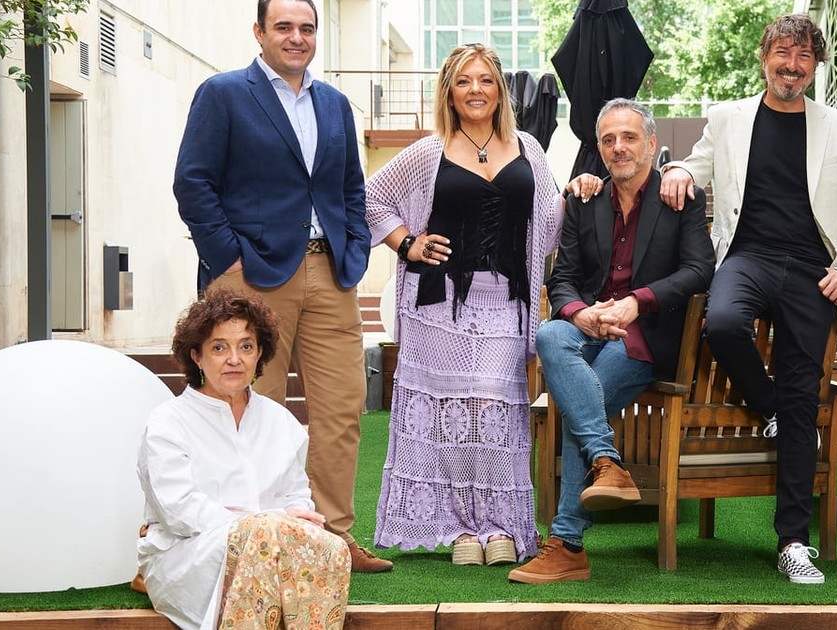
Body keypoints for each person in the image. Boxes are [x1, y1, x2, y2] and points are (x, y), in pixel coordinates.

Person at [658, 14, 837, 585]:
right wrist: (677, 169)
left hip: (812, 269)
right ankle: (771, 405)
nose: (792, 65)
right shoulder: (728, 117)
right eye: (783, 53)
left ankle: (793, 543)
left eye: (804, 57)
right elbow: (696, 164)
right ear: (765, 58)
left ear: (815, 66)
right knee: (722, 322)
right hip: (747, 256)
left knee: (805, 395)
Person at [172, 0, 390, 573]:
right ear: (259, 32)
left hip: (331, 274)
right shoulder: (223, 94)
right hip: (252, 277)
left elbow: (351, 190)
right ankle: (252, 538)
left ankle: (332, 539)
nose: (297, 37)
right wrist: (229, 263)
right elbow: (193, 184)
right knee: (249, 405)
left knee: (343, 408)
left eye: (306, 28)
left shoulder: (335, 104)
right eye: (284, 27)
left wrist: (354, 249)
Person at [364, 43, 564, 566]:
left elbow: (550, 220)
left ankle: (500, 524)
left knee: (494, 408)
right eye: (464, 81)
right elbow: (370, 199)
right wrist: (408, 243)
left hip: (506, 299)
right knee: (447, 416)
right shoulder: (429, 151)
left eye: (486, 80)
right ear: (449, 92)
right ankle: (459, 529)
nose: (476, 90)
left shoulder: (528, 148)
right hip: (438, 302)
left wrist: (581, 189)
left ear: (500, 90)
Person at [507, 99, 715, 584]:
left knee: (584, 394)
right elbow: (562, 279)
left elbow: (700, 269)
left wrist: (638, 302)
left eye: (629, 137)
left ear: (651, 144)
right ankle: (607, 462)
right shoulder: (585, 200)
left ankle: (566, 543)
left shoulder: (680, 196)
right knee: (550, 333)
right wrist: (581, 314)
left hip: (646, 337)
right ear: (599, 149)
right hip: (590, 328)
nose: (619, 147)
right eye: (608, 140)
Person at [137, 290, 351, 630]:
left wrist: (289, 521)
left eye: (246, 346)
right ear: (197, 356)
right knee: (262, 536)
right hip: (189, 556)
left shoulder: (280, 421)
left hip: (274, 550)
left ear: (260, 353)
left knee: (333, 548)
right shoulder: (168, 422)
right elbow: (180, 511)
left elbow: (296, 496)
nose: (234, 359)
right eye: (219, 348)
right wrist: (264, 523)